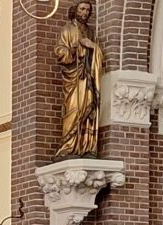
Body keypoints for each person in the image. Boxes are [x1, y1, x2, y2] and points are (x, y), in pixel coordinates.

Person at [54, 1, 104, 159]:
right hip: (74, 77)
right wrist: (74, 49)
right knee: (74, 108)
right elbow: (59, 50)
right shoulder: (67, 30)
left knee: (89, 106)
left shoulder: (91, 32)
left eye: (88, 10)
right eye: (82, 9)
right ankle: (68, 146)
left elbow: (99, 55)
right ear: (75, 10)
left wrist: (93, 46)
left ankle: (86, 146)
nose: (85, 12)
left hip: (88, 76)